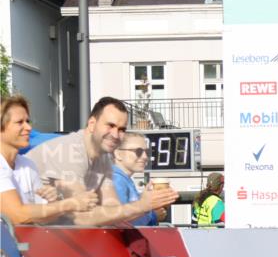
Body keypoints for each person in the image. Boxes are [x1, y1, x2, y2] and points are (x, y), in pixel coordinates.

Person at [26, 96, 178, 225]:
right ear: (92, 124)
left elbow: (113, 210)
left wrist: (146, 205)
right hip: (18, 241)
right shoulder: (69, 150)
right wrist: (142, 206)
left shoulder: (103, 157)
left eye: (121, 129)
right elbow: (81, 217)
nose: (115, 134)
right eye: (110, 125)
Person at [0, 95, 99, 224]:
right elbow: (18, 215)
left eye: (27, 121)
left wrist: (53, 201)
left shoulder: (27, 165)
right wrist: (69, 204)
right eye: (20, 122)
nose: (29, 128)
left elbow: (44, 219)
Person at [111, 132, 165, 226]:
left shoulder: (122, 180)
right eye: (138, 151)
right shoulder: (117, 180)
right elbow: (119, 220)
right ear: (118, 154)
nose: (145, 157)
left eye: (147, 152)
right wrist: (153, 215)